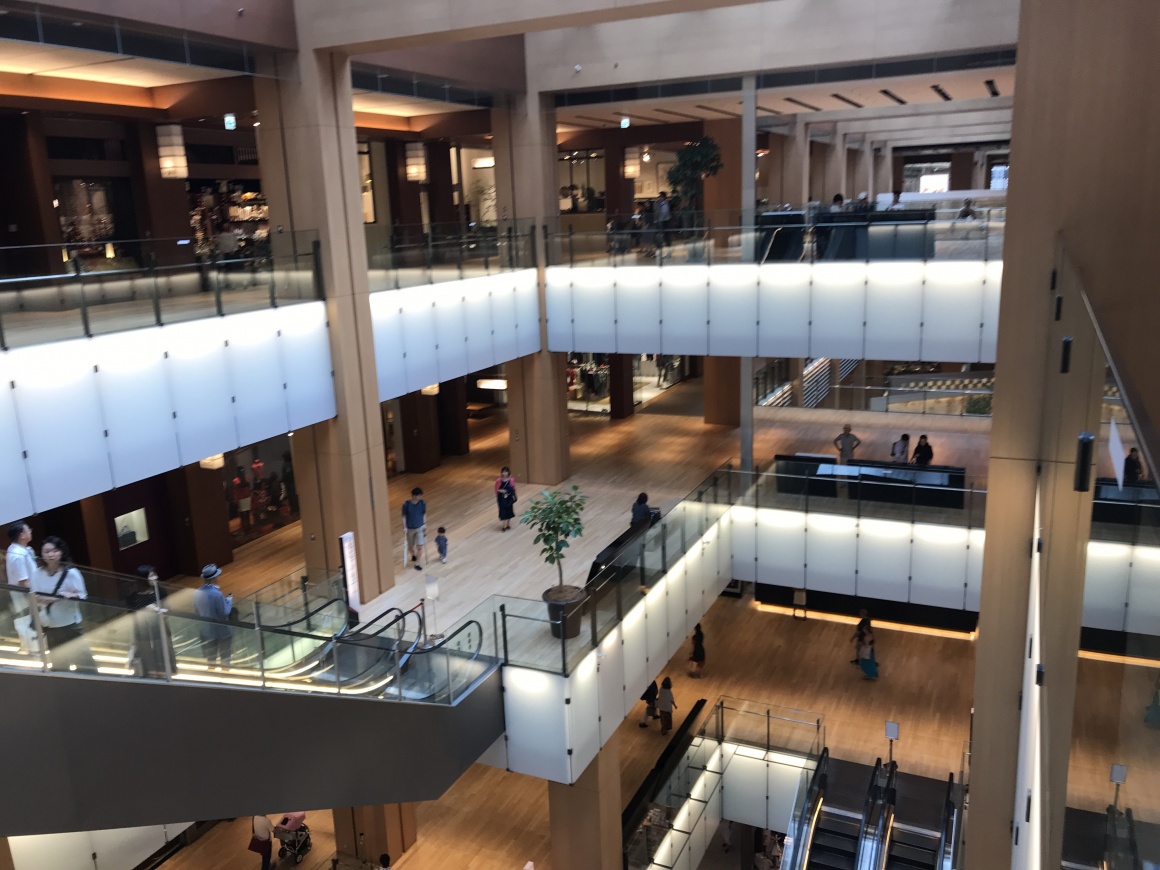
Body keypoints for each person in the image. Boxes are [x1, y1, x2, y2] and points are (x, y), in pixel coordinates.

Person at [31, 536, 92, 672]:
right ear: (41, 554)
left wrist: (69, 595)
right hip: (50, 624)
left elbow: (82, 595)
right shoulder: (37, 573)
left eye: (54, 551)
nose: (50, 555)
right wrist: (59, 597)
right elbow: (35, 597)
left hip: (71, 624)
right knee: (59, 663)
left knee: (84, 662)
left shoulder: (71, 573)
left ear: (61, 552)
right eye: (46, 551)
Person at [129, 565, 168, 679]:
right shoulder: (133, 598)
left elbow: (167, 611)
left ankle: (162, 673)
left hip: (158, 632)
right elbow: (133, 618)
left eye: (155, 574)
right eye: (152, 575)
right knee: (146, 656)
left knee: (160, 655)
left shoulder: (160, 592)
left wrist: (158, 610)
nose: (156, 577)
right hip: (143, 634)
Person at [193, 564, 233, 669]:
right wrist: (229, 601)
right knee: (225, 658)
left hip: (206, 631)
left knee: (211, 659)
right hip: (221, 632)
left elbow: (197, 611)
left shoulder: (197, 593)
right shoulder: (217, 594)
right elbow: (224, 613)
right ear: (214, 578)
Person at [5, 520, 35, 615]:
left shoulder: (17, 549)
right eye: (28, 529)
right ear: (22, 535)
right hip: (27, 604)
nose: (30, 531)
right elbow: (23, 582)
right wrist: (35, 602)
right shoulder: (18, 555)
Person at [402, 487, 427, 571]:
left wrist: (424, 523)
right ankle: (413, 554)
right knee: (411, 546)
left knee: (420, 546)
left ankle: (417, 563)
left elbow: (424, 514)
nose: (420, 497)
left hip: (419, 527)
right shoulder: (406, 504)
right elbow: (404, 516)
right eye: (419, 495)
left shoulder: (422, 503)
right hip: (410, 528)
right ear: (414, 496)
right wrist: (404, 527)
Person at [495, 466, 517, 531]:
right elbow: (496, 489)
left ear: (508, 472)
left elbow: (513, 489)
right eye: (503, 472)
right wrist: (501, 491)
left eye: (506, 472)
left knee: (509, 510)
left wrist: (507, 491)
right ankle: (503, 526)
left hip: (508, 498)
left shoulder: (511, 480)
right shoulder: (498, 480)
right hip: (501, 498)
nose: (504, 473)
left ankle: (508, 524)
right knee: (503, 511)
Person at [233, 467, 253, 534]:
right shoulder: (243, 479)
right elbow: (248, 489)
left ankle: (246, 528)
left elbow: (236, 491)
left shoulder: (238, 480)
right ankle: (247, 528)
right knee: (245, 515)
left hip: (243, 498)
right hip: (244, 498)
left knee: (244, 515)